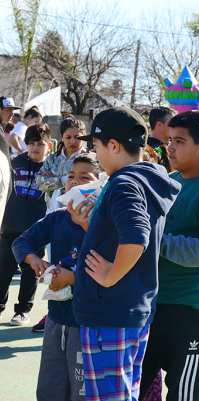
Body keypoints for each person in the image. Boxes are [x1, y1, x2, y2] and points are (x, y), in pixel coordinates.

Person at [68, 107, 180, 401]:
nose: (96, 154)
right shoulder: (145, 179)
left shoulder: (124, 183)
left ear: (114, 146)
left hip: (110, 312)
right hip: (128, 309)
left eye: (97, 147)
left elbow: (135, 236)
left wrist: (109, 275)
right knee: (123, 391)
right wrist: (90, 225)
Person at [139, 110, 199, 401]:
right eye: (169, 140)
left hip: (193, 305)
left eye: (179, 141)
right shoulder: (166, 181)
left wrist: (161, 243)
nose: (169, 147)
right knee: (136, 382)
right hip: (156, 302)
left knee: (184, 392)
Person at [12, 154, 100, 401]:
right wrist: (34, 260)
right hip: (57, 317)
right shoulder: (57, 217)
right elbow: (22, 242)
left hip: (88, 323)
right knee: (50, 388)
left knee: (82, 392)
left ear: (100, 182)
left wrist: (72, 277)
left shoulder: (106, 221)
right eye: (71, 176)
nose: (75, 181)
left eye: (85, 177)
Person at [0, 123, 52, 325]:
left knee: (30, 272)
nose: (35, 148)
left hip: (35, 231)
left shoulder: (52, 168)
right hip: (10, 226)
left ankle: (22, 310)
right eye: (31, 143)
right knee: (4, 269)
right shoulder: (14, 163)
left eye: (39, 143)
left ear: (48, 144)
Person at [37, 117, 87, 209]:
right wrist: (64, 180)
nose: (73, 141)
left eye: (77, 137)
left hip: (78, 210)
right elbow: (40, 183)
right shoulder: (52, 159)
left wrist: (53, 178)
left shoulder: (88, 159)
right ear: (62, 137)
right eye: (68, 137)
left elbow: (85, 184)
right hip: (52, 211)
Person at [147, 106, 176, 170]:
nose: (175, 127)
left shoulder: (173, 147)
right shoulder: (148, 150)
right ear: (159, 125)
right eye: (172, 123)